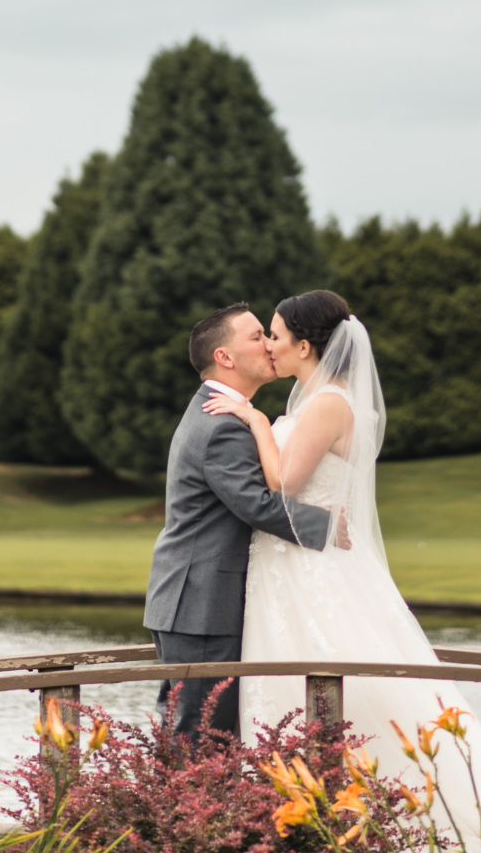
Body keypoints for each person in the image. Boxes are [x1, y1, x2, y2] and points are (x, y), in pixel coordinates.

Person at [203, 291, 481, 847]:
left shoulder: (328, 402)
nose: (270, 346)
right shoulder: (314, 396)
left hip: (310, 570)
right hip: (294, 565)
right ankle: (301, 817)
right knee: (292, 683)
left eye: (275, 335)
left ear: (305, 345)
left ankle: (351, 815)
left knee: (332, 680)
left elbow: (283, 484)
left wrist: (254, 419)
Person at [143, 302, 337, 743]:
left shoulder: (223, 413)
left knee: (193, 730)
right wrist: (329, 527)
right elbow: (257, 505)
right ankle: (179, 814)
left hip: (193, 601)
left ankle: (174, 811)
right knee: (199, 736)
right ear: (224, 357)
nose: (269, 346)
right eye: (256, 337)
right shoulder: (221, 425)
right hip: (202, 604)